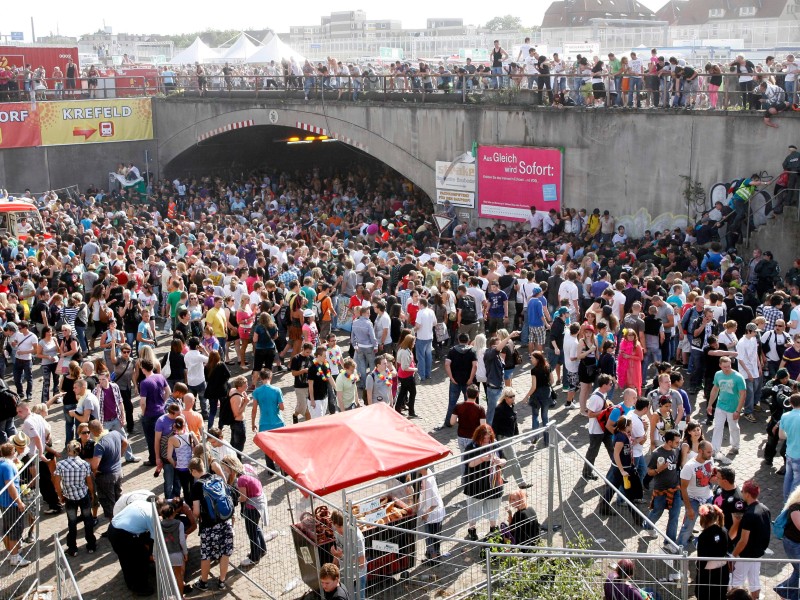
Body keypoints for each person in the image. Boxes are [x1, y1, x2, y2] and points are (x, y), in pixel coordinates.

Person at [190, 456, 234, 592]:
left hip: (209, 526)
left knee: (206, 554)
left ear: (193, 471)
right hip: (225, 522)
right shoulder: (217, 478)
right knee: (225, 553)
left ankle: (203, 583)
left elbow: (196, 511)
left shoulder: (197, 486)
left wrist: (192, 517)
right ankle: (221, 581)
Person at [221, 455, 270, 567]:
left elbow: (243, 498)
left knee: (251, 533)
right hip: (260, 502)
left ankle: (254, 557)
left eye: (225, 468)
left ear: (231, 467)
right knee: (256, 528)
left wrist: (232, 499)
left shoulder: (241, 480)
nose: (225, 470)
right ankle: (261, 549)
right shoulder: (247, 466)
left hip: (253, 507)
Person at [462, 424, 506, 542]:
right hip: (476, 485)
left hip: (493, 485)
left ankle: (493, 528)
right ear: (478, 437)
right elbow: (469, 464)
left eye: (488, 438)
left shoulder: (495, 444)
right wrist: (481, 459)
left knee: (493, 508)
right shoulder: (471, 447)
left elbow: (504, 459)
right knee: (473, 509)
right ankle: (472, 530)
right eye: (484, 438)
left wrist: (499, 461)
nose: (487, 441)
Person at [729, 480, 771, 599]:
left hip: (745, 555)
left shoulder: (749, 515)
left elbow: (743, 540)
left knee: (736, 581)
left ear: (747, 494)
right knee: (754, 581)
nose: (741, 493)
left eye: (742, 491)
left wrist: (733, 555)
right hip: (757, 554)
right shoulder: (765, 509)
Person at [53, 439, 96, 556]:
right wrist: (92, 493)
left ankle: (73, 548)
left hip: (69, 498)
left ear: (68, 451)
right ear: (79, 450)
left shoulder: (61, 465)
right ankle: (91, 545)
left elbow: (56, 482)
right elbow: (89, 482)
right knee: (88, 520)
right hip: (83, 495)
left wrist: (60, 495)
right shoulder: (85, 464)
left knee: (72, 523)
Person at [108, 499, 157, 596]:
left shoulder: (141, 503)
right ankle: (140, 587)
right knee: (139, 558)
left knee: (125, 559)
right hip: (122, 535)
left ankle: (131, 582)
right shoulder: (152, 516)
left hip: (113, 528)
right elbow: (154, 539)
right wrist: (152, 555)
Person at [645, 429, 683, 549]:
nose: (678, 444)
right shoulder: (657, 453)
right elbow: (649, 472)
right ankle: (648, 526)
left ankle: (669, 543)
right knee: (657, 511)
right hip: (661, 489)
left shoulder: (676, 451)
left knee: (674, 516)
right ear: (669, 442)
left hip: (675, 489)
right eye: (676, 442)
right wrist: (658, 470)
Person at [678, 440, 718, 550]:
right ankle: (679, 550)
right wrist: (689, 508)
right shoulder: (689, 467)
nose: (711, 455)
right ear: (700, 451)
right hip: (693, 500)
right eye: (709, 452)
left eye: (712, 452)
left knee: (710, 524)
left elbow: (710, 476)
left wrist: (713, 478)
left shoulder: (710, 460)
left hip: (708, 497)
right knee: (688, 527)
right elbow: (683, 488)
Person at [707, 356, 747, 462]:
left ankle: (735, 446)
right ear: (720, 365)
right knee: (718, 427)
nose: (727, 368)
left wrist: (738, 410)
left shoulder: (738, 377)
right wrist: (710, 404)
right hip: (720, 405)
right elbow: (715, 389)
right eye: (724, 367)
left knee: (733, 427)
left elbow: (743, 395)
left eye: (729, 366)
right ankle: (715, 449)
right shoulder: (718, 374)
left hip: (733, 407)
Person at [492, 387, 530, 489]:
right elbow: (494, 425)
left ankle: (498, 479)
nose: (513, 398)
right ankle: (521, 483)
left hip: (508, 436)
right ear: (505, 397)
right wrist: (494, 439)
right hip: (503, 437)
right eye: (510, 397)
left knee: (503, 459)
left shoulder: (510, 406)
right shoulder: (499, 409)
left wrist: (516, 433)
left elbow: (514, 420)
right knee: (514, 459)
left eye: (514, 396)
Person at [89, 418, 126, 520]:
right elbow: (125, 443)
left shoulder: (100, 445)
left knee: (109, 503)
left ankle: (114, 527)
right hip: (118, 472)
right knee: (118, 499)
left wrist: (95, 472)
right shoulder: (115, 433)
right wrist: (119, 456)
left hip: (106, 477)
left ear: (92, 432)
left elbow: (94, 465)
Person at [0, 442, 30, 566]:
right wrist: (19, 502)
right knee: (15, 530)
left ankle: (11, 552)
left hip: (4, 502)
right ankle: (15, 557)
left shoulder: (2, 464)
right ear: (12, 452)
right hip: (11, 503)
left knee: (7, 529)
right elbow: (10, 486)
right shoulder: (7, 466)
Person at [441, 332, 478, 429]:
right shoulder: (472, 351)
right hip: (468, 382)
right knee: (470, 403)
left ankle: (449, 422)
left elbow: (446, 364)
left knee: (452, 403)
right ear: (468, 340)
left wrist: (451, 377)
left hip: (455, 381)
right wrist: (470, 379)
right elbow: (475, 366)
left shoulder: (452, 350)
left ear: (458, 340)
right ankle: (469, 423)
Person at [251, 369, 284, 470]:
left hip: (264, 423)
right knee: (281, 447)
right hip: (278, 422)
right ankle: (284, 468)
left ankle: (270, 469)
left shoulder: (256, 392)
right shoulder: (277, 390)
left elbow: (254, 410)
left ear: (260, 378)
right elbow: (282, 407)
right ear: (271, 377)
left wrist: (253, 423)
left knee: (267, 447)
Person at [330, 509, 367, 600]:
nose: (340, 530)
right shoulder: (336, 531)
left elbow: (361, 563)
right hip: (345, 573)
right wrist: (332, 568)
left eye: (342, 526)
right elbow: (339, 548)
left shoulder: (356, 536)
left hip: (357, 575)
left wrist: (342, 557)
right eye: (337, 527)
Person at [695, 504, 730, 600]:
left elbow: (702, 559)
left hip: (708, 574)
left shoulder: (703, 536)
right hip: (723, 570)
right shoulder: (723, 530)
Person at [774, 485, 800, 600]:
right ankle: (784, 591)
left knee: (798, 570)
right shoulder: (795, 508)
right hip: (793, 544)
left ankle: (784, 591)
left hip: (796, 543)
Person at [522, 351, 553, 445]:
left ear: (537, 359)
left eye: (532, 358)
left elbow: (534, 387)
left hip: (536, 396)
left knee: (535, 416)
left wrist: (526, 396)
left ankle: (535, 437)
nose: (531, 359)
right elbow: (552, 381)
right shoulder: (548, 367)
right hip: (546, 395)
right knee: (545, 417)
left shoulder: (534, 370)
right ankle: (547, 440)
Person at [417, 466, 445, 562]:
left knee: (432, 536)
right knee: (431, 536)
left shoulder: (429, 480)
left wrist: (426, 513)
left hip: (433, 513)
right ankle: (431, 554)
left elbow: (435, 502)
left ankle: (434, 559)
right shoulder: (426, 473)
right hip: (431, 512)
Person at [781, 392, 800, 500]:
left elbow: (781, 436)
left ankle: (785, 499)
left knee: (788, 478)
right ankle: (791, 504)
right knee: (797, 481)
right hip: (799, 455)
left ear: (791, 404)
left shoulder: (785, 416)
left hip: (789, 452)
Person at [395, 334, 418, 417]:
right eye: (414, 342)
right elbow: (405, 367)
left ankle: (397, 409)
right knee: (413, 393)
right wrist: (415, 369)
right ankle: (411, 412)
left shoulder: (403, 349)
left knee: (403, 392)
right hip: (406, 376)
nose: (414, 343)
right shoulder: (405, 352)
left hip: (404, 375)